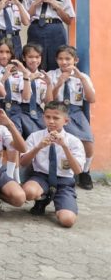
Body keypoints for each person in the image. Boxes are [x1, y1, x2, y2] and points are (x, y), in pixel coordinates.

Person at [21, 101, 85, 228]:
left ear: (66, 121)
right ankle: (42, 200)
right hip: (41, 177)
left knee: (67, 221)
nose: (51, 121)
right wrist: (38, 147)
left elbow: (77, 171)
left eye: (56, 118)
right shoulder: (35, 136)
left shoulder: (74, 141)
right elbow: (23, 162)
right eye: (47, 117)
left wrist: (65, 147)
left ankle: (61, 202)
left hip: (64, 181)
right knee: (28, 192)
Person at [47, 45, 96, 190]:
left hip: (75, 111)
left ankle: (85, 172)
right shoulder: (51, 75)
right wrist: (59, 83)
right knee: (70, 139)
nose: (64, 62)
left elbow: (91, 98)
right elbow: (49, 101)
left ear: (75, 60)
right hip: (58, 111)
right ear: (56, 60)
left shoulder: (82, 76)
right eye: (61, 59)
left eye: (68, 59)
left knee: (88, 140)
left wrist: (81, 78)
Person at [23, 0, 75, 72]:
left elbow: (69, 20)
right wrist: (36, 3)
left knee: (56, 58)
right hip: (36, 28)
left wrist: (56, 5)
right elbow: (25, 20)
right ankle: (36, 85)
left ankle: (56, 86)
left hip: (56, 29)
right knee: (35, 58)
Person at [0, 39, 31, 138]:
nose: (4, 56)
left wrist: (25, 75)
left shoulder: (19, 73)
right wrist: (3, 79)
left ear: (12, 54)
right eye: (1, 52)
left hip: (15, 109)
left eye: (8, 52)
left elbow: (26, 97)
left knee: (15, 138)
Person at [20, 43, 53, 138]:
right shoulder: (18, 74)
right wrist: (29, 79)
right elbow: (24, 97)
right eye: (30, 57)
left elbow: (48, 102)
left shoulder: (44, 76)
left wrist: (49, 84)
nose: (34, 60)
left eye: (37, 57)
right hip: (23, 110)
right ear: (23, 58)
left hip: (38, 111)